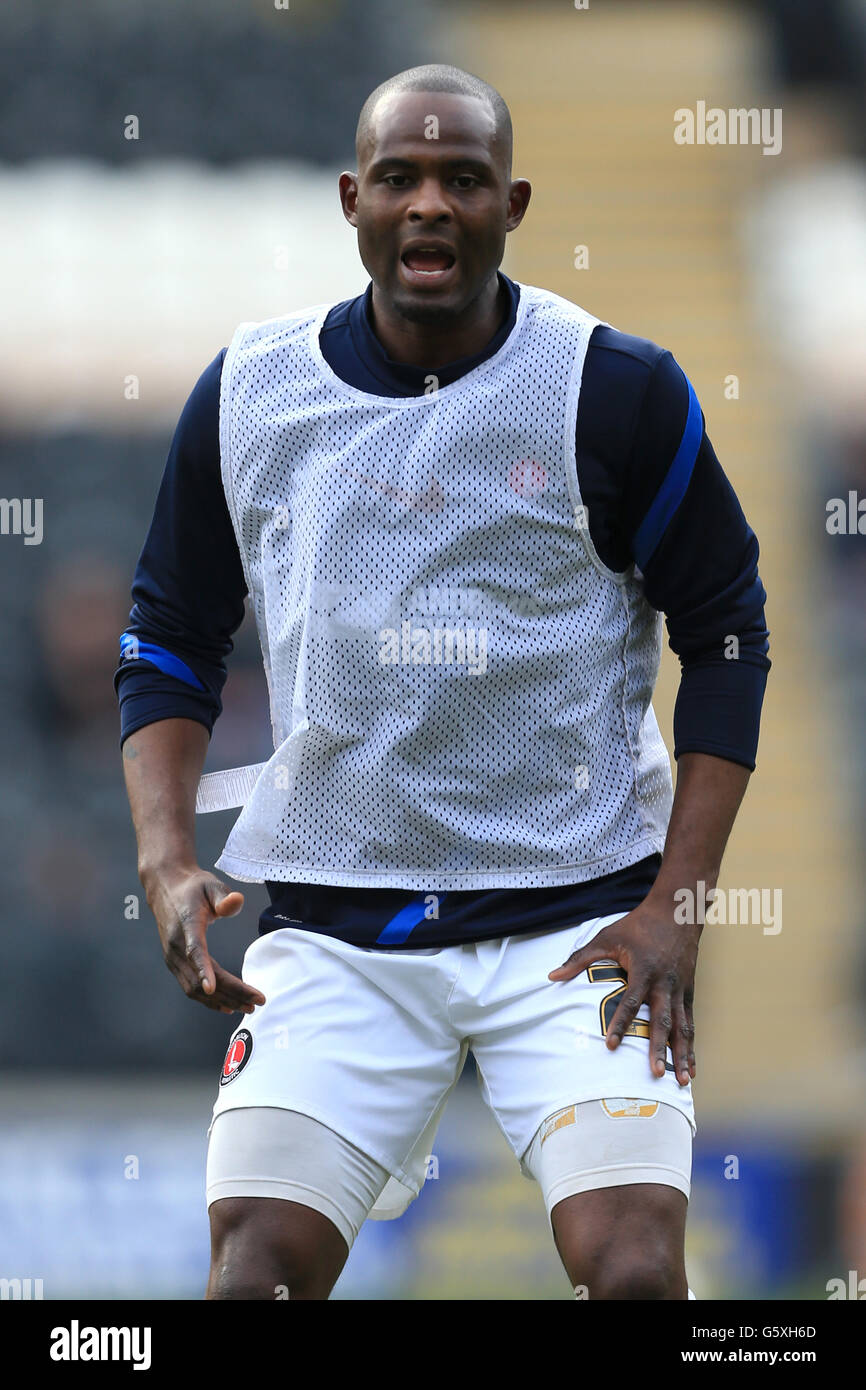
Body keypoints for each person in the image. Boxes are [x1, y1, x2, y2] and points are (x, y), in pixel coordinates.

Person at [116, 64, 770, 1300]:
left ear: (510, 204)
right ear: (351, 200)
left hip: (580, 912)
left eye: (462, 180)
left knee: (632, 1269)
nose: (430, 205)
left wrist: (677, 901)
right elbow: (166, 636)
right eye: (402, 180)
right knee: (253, 1266)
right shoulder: (250, 391)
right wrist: (161, 851)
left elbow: (727, 633)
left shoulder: (614, 388)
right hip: (335, 919)